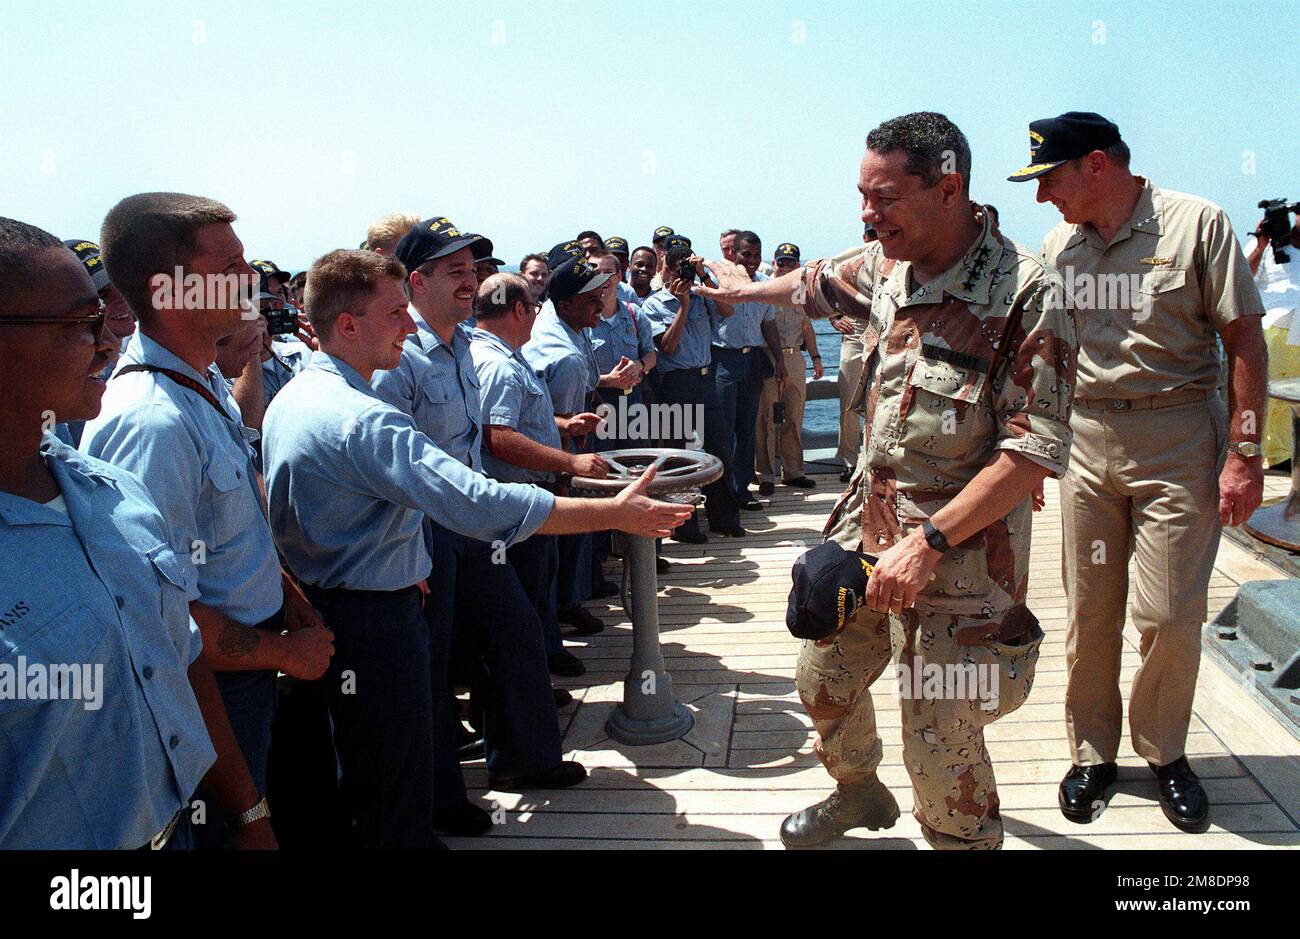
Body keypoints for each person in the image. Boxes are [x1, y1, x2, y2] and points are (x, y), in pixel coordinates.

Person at [697, 112, 1077, 850]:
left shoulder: (1026, 292)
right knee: (821, 679)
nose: (867, 215)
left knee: (939, 740)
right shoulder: (883, 264)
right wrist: (739, 297)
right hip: (866, 535)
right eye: (862, 197)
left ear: (949, 188)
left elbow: (1033, 450)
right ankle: (859, 792)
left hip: (960, 558)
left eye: (885, 198)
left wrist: (930, 541)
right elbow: (809, 284)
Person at [262, 251, 690, 847]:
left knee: (363, 762)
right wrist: (613, 512)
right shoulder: (364, 419)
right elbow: (476, 499)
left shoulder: (297, 394)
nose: (408, 327)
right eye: (394, 314)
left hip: (346, 594)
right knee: (393, 764)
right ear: (349, 326)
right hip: (375, 608)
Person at [1011, 111, 1268, 833]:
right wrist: (1032, 446)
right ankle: (1091, 754)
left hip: (1178, 439)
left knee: (1169, 614)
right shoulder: (1060, 245)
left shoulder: (1197, 224)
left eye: (1049, 179)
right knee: (1090, 609)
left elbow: (1244, 340)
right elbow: (1046, 352)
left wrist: (1245, 453)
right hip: (1087, 442)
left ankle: (1165, 753)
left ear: (1097, 165)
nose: (1042, 198)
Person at [0, 218, 275, 850]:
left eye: (103, 318)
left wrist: (248, 814)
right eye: (77, 324)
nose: (107, 342)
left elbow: (171, 656)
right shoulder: (146, 421)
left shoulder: (109, 491)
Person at [79, 192, 335, 848]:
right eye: (231, 264)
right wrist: (283, 651)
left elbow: (221, 532)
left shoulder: (202, 385)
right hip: (210, 697)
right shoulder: (152, 422)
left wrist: (289, 596)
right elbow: (159, 618)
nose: (250, 279)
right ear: (168, 292)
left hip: (245, 669)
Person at [372, 216, 581, 833]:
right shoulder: (398, 358)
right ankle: (440, 799)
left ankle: (523, 760)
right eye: (456, 272)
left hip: (474, 527)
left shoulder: (464, 346)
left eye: (475, 271)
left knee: (516, 633)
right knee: (431, 667)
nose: (472, 282)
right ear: (417, 280)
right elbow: (389, 463)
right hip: (425, 531)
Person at [523, 253, 627, 634]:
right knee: (567, 536)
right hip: (558, 453)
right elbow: (564, 429)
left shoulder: (566, 321)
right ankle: (564, 608)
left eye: (600, 294)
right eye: (591, 300)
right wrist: (567, 477)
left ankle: (566, 602)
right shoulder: (565, 357)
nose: (601, 304)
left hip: (561, 433)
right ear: (565, 305)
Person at [641, 234, 745, 541]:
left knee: (719, 450)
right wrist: (683, 305)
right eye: (677, 268)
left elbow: (728, 310)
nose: (681, 273)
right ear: (667, 270)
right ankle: (684, 526)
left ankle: (724, 518)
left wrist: (703, 276)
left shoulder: (703, 294)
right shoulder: (654, 305)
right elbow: (668, 348)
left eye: (686, 266)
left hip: (705, 378)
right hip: (676, 382)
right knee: (680, 456)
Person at [712, 230, 783, 509]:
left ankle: (742, 489)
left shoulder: (765, 286)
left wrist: (779, 360)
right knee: (724, 430)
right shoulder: (717, 283)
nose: (752, 260)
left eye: (756, 254)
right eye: (746, 254)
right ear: (733, 254)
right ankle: (723, 492)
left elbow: (769, 325)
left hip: (752, 360)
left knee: (746, 430)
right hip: (722, 360)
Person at [755, 242, 822, 493]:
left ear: (798, 264)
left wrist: (815, 357)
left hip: (794, 357)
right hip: (767, 357)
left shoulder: (800, 290)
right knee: (767, 419)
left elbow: (807, 326)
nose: (785, 267)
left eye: (791, 262)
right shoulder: (764, 287)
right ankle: (765, 475)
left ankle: (794, 472)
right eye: (781, 262)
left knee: (793, 416)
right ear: (774, 263)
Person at [1246, 208, 1300, 467]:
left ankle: (1287, 454)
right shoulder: (1267, 248)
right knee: (1274, 393)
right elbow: (1240, 278)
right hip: (1277, 325)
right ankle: (1272, 456)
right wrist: (1260, 244)